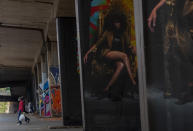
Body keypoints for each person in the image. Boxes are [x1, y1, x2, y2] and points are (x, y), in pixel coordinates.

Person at [148, 0, 193, 103]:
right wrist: (155, 9)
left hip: (187, 24)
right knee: (184, 58)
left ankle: (188, 91)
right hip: (182, 27)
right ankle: (188, 91)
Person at [84, 10, 136, 93]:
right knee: (124, 56)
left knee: (121, 65)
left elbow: (129, 45)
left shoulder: (123, 33)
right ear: (112, 23)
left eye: (119, 22)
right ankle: (133, 81)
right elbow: (97, 44)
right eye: (115, 22)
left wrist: (134, 48)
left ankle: (107, 88)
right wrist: (87, 53)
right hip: (108, 53)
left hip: (118, 55)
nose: (117, 24)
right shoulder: (108, 32)